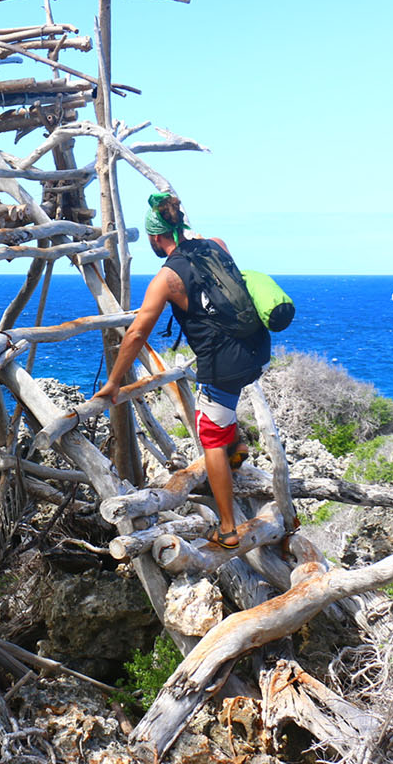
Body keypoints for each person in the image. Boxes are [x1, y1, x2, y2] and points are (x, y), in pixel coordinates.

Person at [95, 193, 271, 549]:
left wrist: (114, 382)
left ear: (156, 237)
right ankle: (237, 448)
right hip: (257, 351)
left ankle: (227, 528)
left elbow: (137, 333)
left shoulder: (167, 278)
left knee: (211, 438)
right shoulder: (216, 244)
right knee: (222, 415)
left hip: (223, 366)